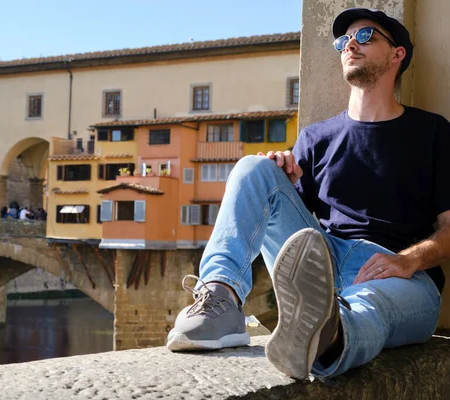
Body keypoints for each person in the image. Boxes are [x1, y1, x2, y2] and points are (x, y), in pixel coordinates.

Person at [166, 8, 449, 380]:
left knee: (371, 305)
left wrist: (407, 261)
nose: (351, 45)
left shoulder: (432, 132)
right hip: (323, 261)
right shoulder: (316, 138)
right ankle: (221, 298)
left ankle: (326, 335)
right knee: (255, 167)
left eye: (366, 36)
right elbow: (286, 221)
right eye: (344, 40)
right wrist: (280, 174)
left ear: (397, 55)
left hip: (399, 278)